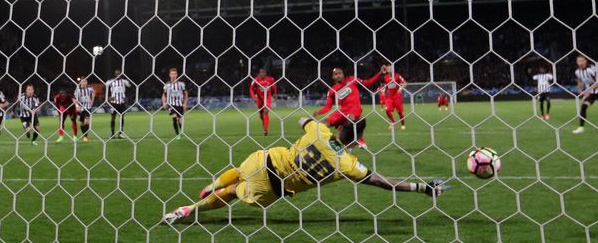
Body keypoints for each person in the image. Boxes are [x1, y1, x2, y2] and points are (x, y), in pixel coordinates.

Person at [163, 117, 448, 224]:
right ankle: (189, 210)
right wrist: (423, 187)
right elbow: (384, 183)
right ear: (356, 142)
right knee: (236, 193)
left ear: (338, 128)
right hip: (273, 187)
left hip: (267, 160)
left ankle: (213, 184)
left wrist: (318, 122)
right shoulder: (348, 164)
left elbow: (303, 119)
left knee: (239, 171)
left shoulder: (319, 131)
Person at [313, 67, 383, 148]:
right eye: (336, 74)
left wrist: (379, 73)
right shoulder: (332, 90)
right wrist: (318, 112)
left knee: (350, 119)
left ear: (343, 74)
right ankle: (327, 142)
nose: (338, 75)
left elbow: (368, 82)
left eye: (340, 73)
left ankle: (359, 140)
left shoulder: (352, 79)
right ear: (333, 77)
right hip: (343, 111)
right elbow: (327, 107)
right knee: (323, 124)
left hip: (355, 108)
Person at [573, 55, 598, 134]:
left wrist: (587, 90)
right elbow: (580, 81)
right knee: (583, 106)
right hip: (591, 93)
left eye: (582, 61)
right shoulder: (577, 72)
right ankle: (581, 128)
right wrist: (580, 90)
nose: (580, 63)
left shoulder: (592, 69)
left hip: (592, 90)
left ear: (586, 61)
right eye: (578, 61)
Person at [249, 68, 277, 136]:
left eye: (264, 73)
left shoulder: (270, 79)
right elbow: (251, 89)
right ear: (259, 73)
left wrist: (275, 93)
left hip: (267, 97)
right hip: (259, 98)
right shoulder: (256, 80)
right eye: (261, 73)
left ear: (266, 73)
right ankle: (264, 123)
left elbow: (274, 87)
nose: (263, 74)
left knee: (266, 111)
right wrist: (254, 97)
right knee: (261, 114)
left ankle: (265, 129)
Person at [162, 68, 188, 139]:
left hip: (179, 104)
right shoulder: (167, 85)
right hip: (171, 104)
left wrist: (185, 103)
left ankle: (181, 131)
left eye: (174, 74)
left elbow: (185, 93)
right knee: (174, 118)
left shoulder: (181, 84)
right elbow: (164, 94)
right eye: (172, 74)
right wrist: (164, 102)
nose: (173, 75)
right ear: (169, 75)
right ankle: (177, 134)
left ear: (177, 75)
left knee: (180, 120)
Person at [105, 70, 132, 139]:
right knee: (113, 118)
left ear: (121, 75)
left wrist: (126, 96)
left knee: (121, 117)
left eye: (119, 74)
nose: (118, 75)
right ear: (115, 74)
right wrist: (108, 97)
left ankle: (121, 133)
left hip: (122, 102)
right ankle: (112, 134)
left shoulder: (124, 81)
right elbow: (105, 86)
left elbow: (130, 86)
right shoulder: (111, 81)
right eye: (117, 74)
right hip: (114, 102)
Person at [381, 64, 407, 130]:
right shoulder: (385, 77)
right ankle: (393, 122)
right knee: (387, 110)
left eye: (391, 69)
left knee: (400, 112)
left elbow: (405, 83)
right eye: (388, 69)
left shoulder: (397, 76)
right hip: (390, 97)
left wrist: (400, 89)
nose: (390, 70)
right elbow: (387, 85)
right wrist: (383, 90)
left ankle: (403, 124)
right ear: (386, 70)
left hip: (397, 96)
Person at [74, 77, 95, 142]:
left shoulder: (89, 89)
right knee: (82, 123)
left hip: (88, 108)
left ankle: (86, 137)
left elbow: (94, 92)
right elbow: (74, 99)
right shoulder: (77, 90)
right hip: (81, 109)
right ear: (80, 83)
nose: (84, 83)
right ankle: (84, 136)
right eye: (83, 81)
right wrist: (77, 106)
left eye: (85, 81)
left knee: (86, 122)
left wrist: (92, 100)